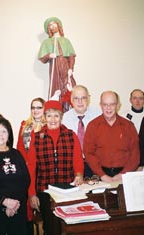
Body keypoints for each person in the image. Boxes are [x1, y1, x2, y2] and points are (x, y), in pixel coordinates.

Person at [28, 100, 84, 233]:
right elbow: (31, 167)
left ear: (61, 117)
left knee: (68, 226)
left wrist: (79, 174)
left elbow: (77, 159)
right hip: (45, 190)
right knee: (50, 227)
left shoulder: (71, 135)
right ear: (44, 117)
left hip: (67, 188)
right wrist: (32, 193)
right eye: (49, 116)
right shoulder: (36, 138)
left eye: (56, 115)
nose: (52, 119)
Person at [84, 91, 140, 183]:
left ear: (118, 105)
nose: (108, 108)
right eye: (105, 104)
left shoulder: (128, 126)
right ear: (100, 105)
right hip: (100, 176)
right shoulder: (93, 126)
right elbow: (88, 153)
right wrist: (102, 175)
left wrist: (123, 174)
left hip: (124, 175)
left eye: (112, 104)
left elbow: (135, 154)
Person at [16, 97, 46, 235]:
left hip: (44, 171)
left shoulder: (48, 125)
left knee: (45, 208)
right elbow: (19, 149)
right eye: (33, 107)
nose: (36, 110)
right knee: (27, 208)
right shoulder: (25, 126)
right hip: (28, 171)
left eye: (39, 107)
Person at [38, 17, 76, 112]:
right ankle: (56, 110)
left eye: (54, 23)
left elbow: (71, 56)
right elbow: (42, 58)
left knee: (68, 86)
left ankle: (68, 109)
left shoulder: (66, 41)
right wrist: (49, 55)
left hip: (65, 65)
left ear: (59, 25)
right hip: (55, 67)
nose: (52, 26)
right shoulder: (47, 42)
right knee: (56, 88)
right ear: (48, 29)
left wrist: (70, 68)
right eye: (50, 25)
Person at [62, 85, 101, 177]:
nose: (80, 102)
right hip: (72, 165)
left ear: (88, 99)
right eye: (76, 98)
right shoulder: (64, 119)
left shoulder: (99, 115)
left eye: (83, 98)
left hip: (95, 163)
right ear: (71, 100)